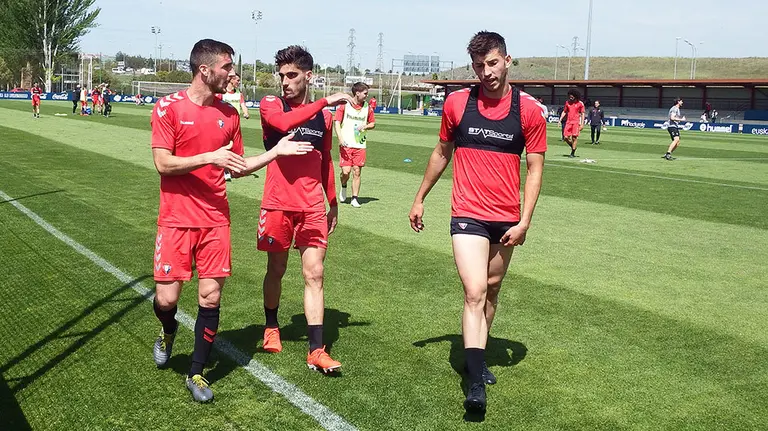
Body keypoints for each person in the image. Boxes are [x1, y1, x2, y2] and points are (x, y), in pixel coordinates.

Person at [149, 38, 314, 403]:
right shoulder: (168, 108)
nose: (233, 74)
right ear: (205, 70)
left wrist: (276, 151)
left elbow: (236, 167)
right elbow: (163, 163)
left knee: (210, 297)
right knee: (166, 299)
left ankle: (197, 373)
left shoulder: (230, 115)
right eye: (227, 67)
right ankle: (167, 330)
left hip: (215, 220)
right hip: (175, 220)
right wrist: (210, 156)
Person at [408, 31, 546, 414]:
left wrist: (525, 222)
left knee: (492, 289)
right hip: (467, 212)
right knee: (474, 291)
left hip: (506, 218)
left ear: (507, 61)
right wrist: (420, 198)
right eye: (478, 65)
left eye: (492, 63)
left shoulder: (529, 111)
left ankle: (478, 356)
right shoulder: (457, 103)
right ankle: (474, 384)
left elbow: (535, 170)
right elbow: (441, 153)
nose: (485, 72)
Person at [257, 45, 354, 373]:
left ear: (308, 76)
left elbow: (326, 159)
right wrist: (326, 100)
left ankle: (316, 349)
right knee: (277, 269)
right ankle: (271, 326)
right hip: (278, 204)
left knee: (315, 273)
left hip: (312, 206)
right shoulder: (273, 104)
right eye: (282, 75)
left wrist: (333, 201)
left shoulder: (324, 118)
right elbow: (283, 122)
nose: (284, 81)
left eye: (292, 75)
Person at [335, 82, 376, 208]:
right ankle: (343, 186)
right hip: (346, 144)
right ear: (357, 93)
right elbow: (336, 122)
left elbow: (373, 123)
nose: (366, 96)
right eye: (365, 93)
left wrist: (366, 126)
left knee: (357, 171)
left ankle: (354, 198)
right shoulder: (344, 105)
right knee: (346, 172)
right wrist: (340, 138)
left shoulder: (367, 108)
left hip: (360, 145)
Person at [559, 89, 584, 157]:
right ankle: (572, 146)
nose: (571, 97)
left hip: (576, 122)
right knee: (566, 137)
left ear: (575, 96)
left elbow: (582, 113)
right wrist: (560, 119)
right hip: (568, 122)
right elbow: (564, 111)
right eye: (570, 96)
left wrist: (582, 124)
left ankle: (572, 153)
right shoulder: (567, 103)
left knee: (574, 138)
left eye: (572, 96)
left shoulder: (580, 103)